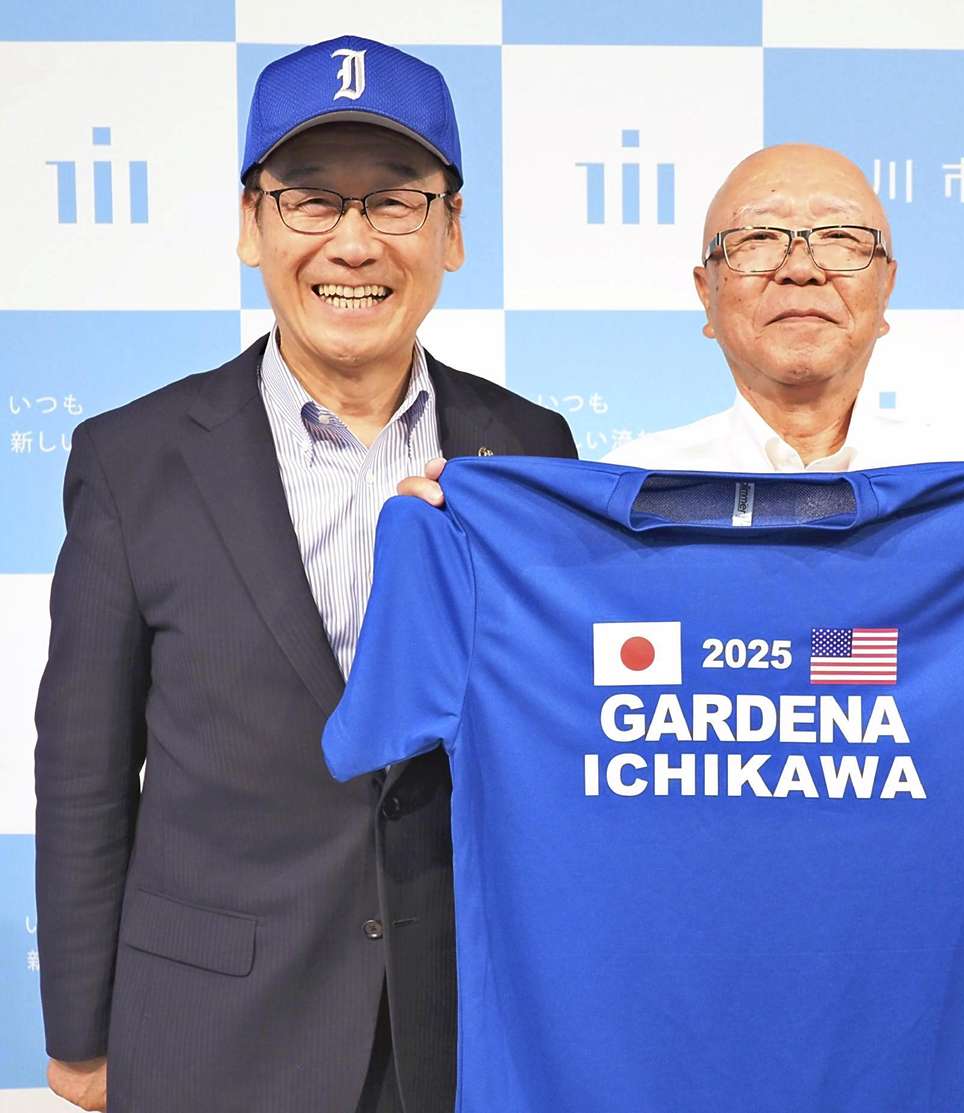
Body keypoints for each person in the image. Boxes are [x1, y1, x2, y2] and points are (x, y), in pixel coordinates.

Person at [35, 35, 574, 1113]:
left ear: (453, 230)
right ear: (252, 225)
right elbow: (85, 769)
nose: (354, 242)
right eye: (312, 200)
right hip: (211, 1028)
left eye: (397, 201)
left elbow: (553, 745)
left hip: (459, 1026)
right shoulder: (134, 459)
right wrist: (80, 1033)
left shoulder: (530, 450)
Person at [402, 144, 964, 803]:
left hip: (894, 919)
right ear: (706, 292)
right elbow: (555, 761)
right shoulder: (613, 501)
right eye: (759, 239)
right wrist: (452, 552)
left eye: (841, 239)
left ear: (886, 288)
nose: (801, 267)